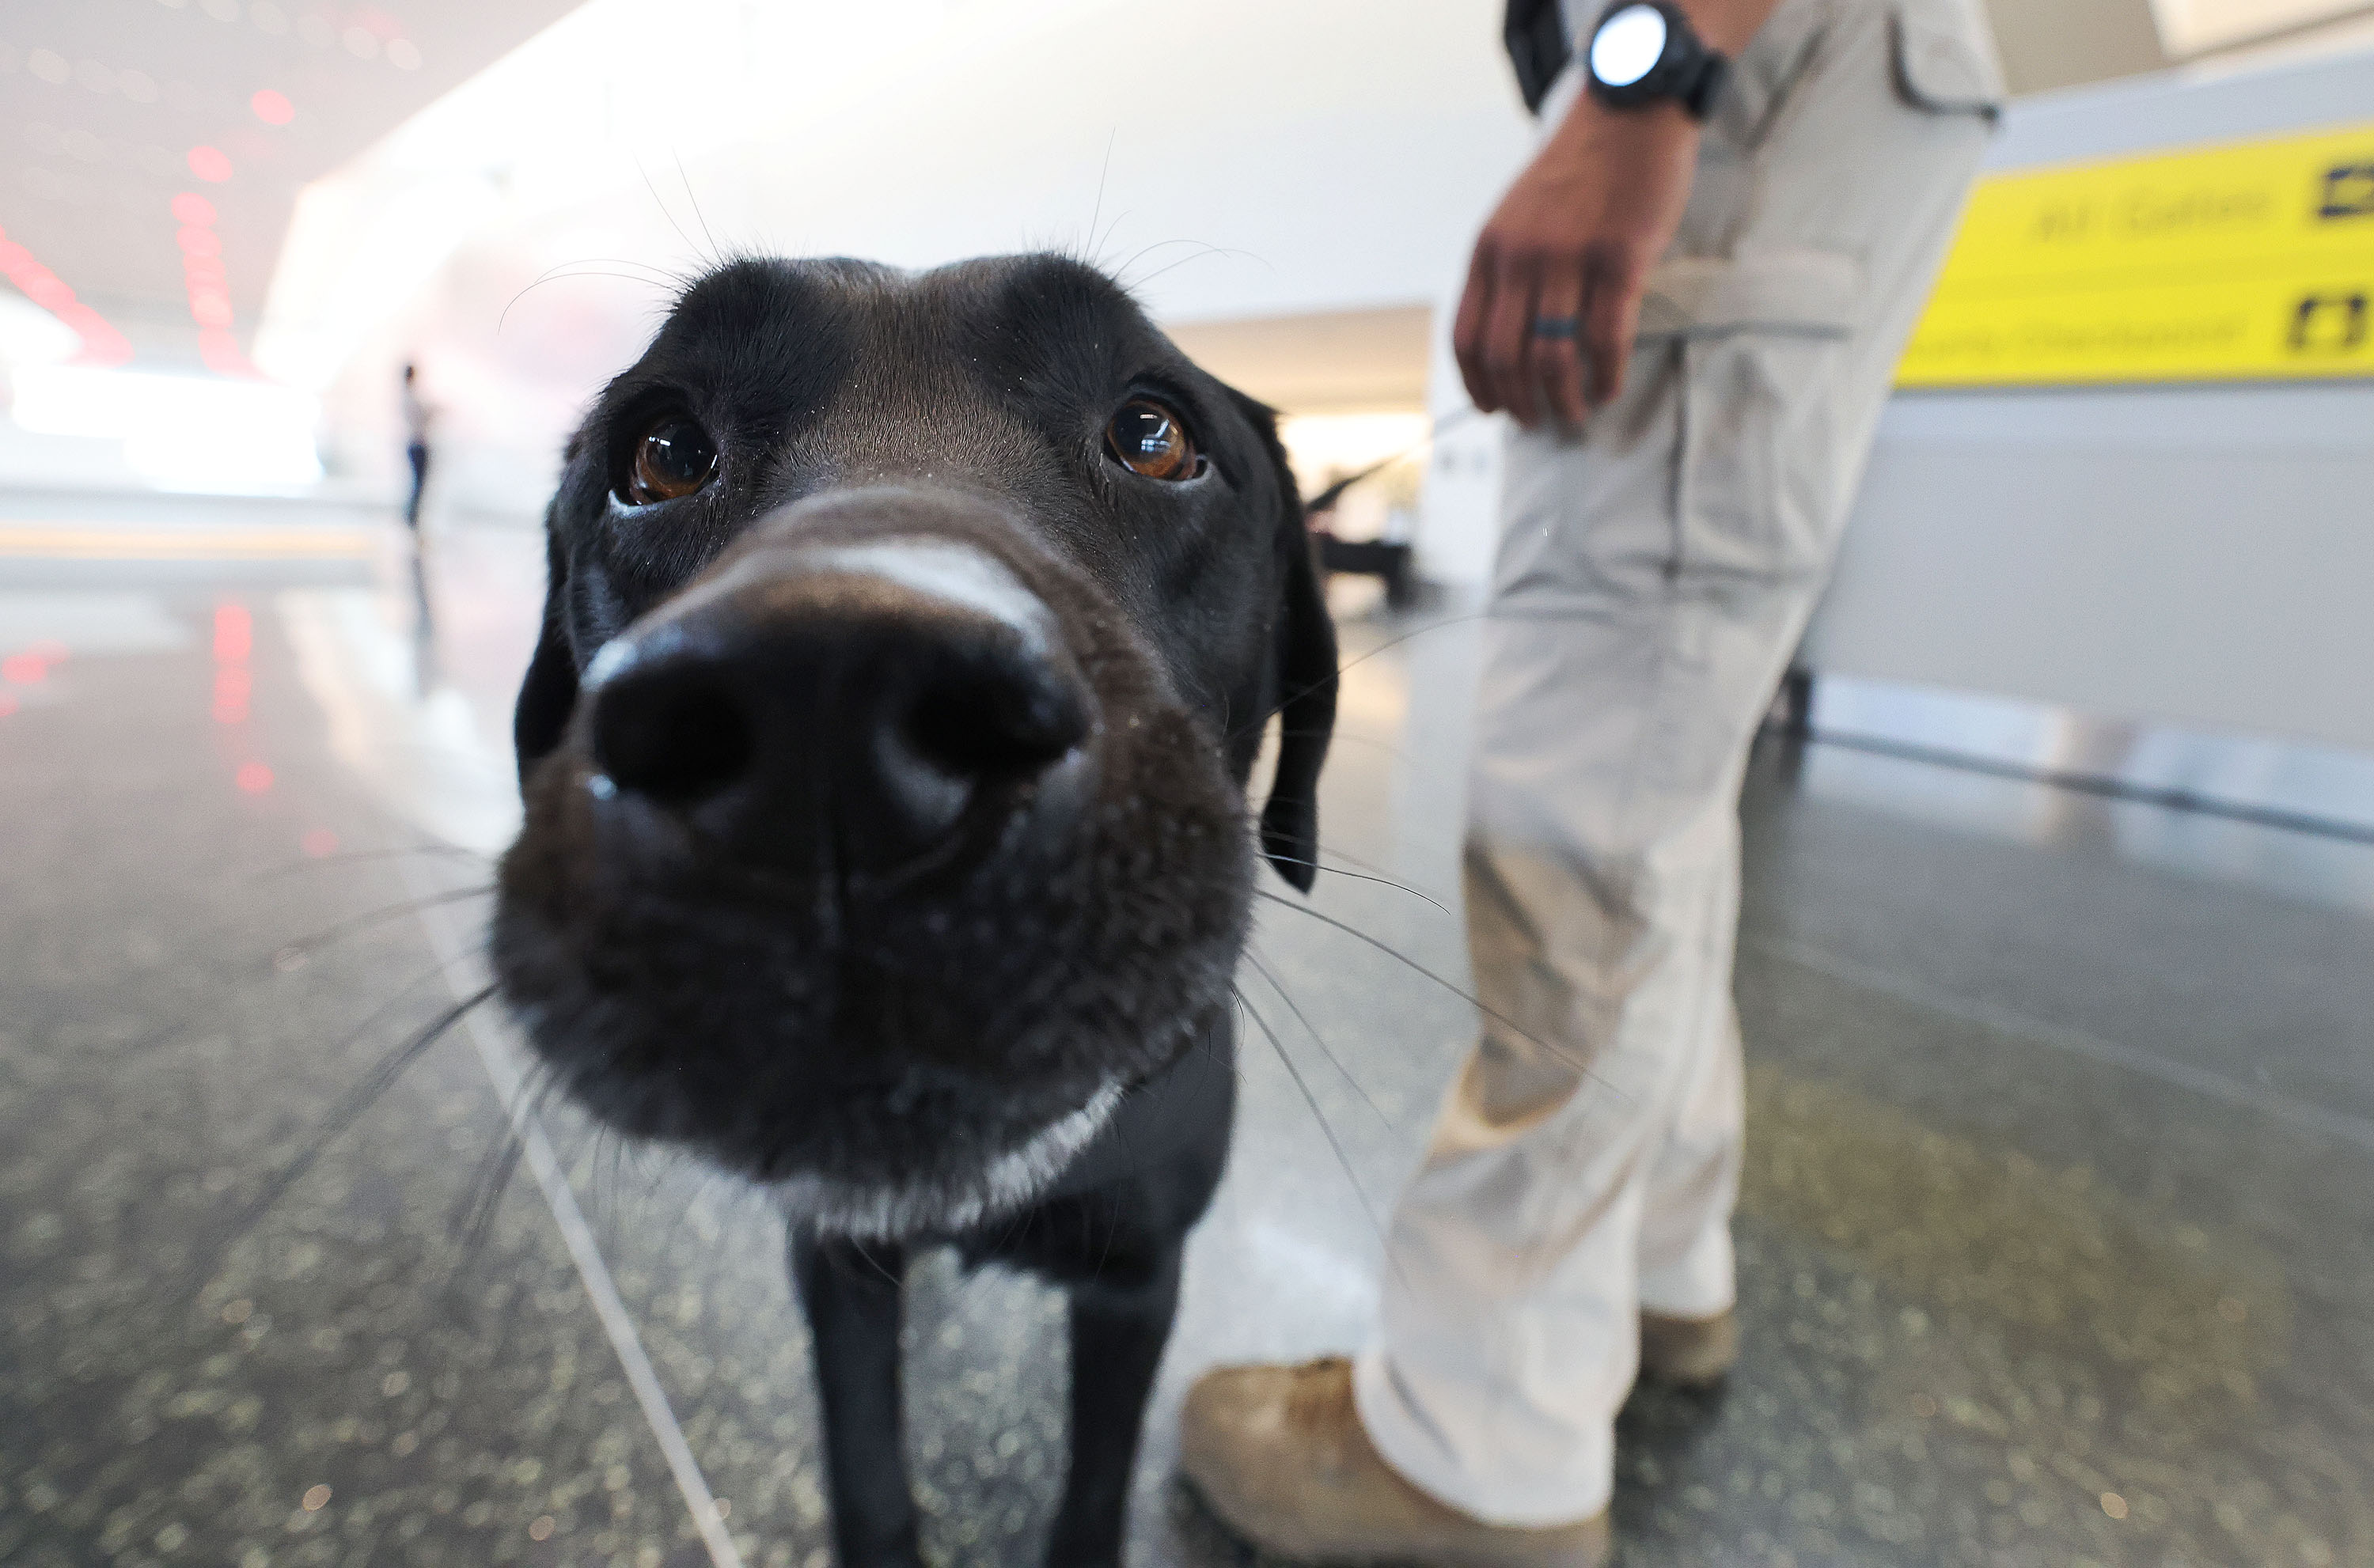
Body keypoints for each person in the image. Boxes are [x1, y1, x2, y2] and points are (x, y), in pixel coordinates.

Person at [1179, 0, 2002, 1561]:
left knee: (1583, 811)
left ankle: (1476, 1445)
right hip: (1803, 66)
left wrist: (1647, 68)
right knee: (1660, 772)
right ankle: (1652, 1272)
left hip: (1741, 62)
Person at [400, 362, 433, 534]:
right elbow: (421, 418)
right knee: (418, 483)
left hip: (415, 443)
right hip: (417, 444)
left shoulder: (407, 396)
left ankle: (412, 516)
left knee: (418, 483)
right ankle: (411, 516)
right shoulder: (410, 398)